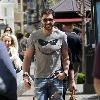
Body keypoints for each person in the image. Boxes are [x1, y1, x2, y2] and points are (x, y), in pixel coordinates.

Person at [23, 9, 70, 100]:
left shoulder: (61, 35)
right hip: (39, 79)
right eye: (45, 20)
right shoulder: (34, 36)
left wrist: (65, 72)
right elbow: (27, 57)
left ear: (54, 20)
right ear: (41, 20)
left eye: (50, 19)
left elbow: (65, 57)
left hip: (56, 78)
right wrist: (25, 75)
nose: (48, 22)